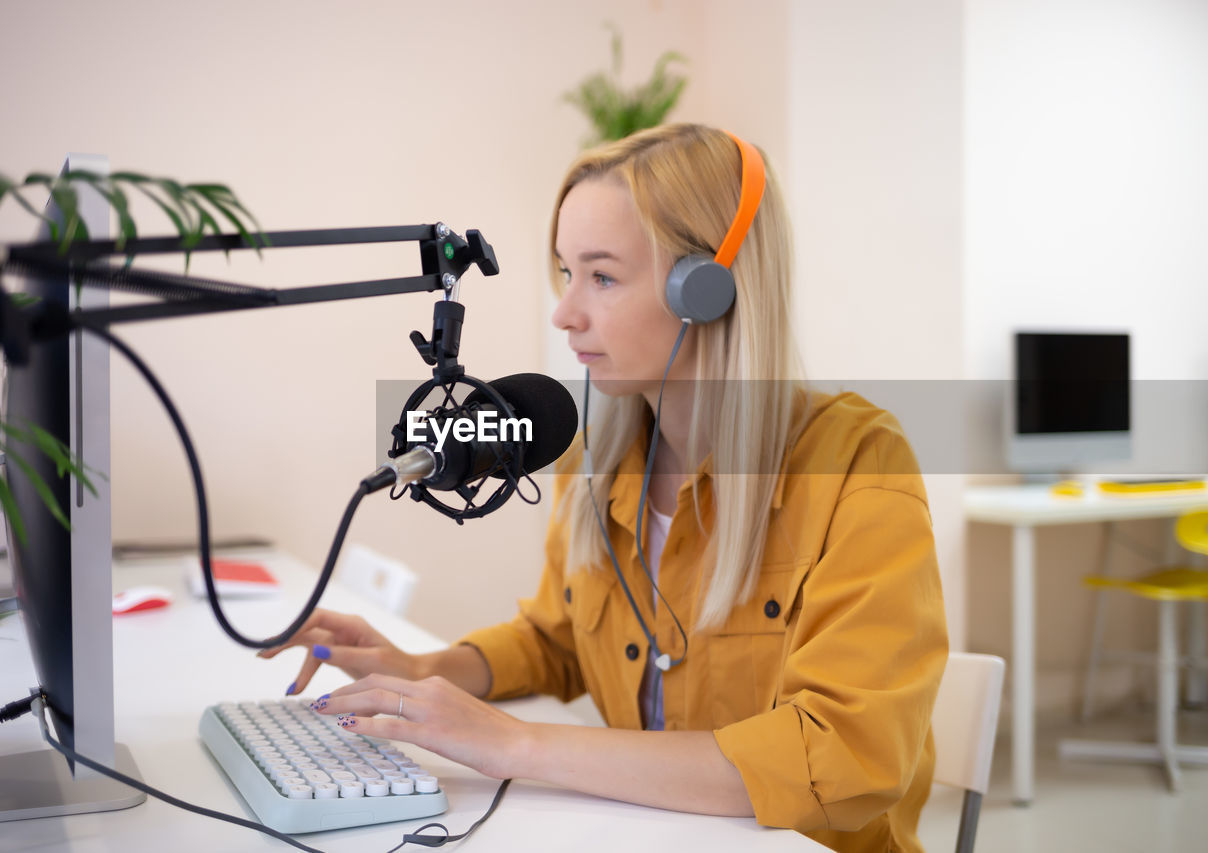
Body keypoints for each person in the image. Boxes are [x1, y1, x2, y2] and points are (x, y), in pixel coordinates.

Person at [258, 123, 948, 853]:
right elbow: (555, 638)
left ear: (706, 290)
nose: (566, 312)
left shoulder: (857, 466)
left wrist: (518, 745)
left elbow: (845, 756)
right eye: (566, 273)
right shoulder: (600, 464)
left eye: (604, 276)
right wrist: (424, 668)